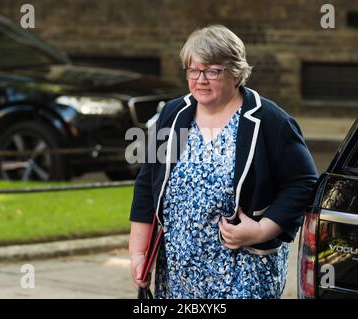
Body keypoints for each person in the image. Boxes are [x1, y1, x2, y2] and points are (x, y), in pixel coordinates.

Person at [129, 25, 318, 299]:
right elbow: (147, 183)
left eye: (212, 71)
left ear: (235, 72)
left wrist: (262, 230)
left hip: (245, 271)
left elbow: (302, 183)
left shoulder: (269, 121)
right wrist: (138, 252)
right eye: (193, 70)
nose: (200, 79)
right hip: (180, 274)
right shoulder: (173, 115)